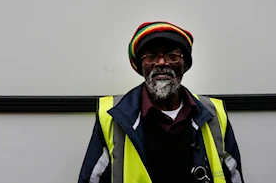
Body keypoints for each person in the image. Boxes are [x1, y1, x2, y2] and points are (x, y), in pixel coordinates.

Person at [78, 21, 244, 183]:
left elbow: (233, 176)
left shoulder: (213, 114)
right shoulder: (114, 115)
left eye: (172, 55)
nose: (161, 63)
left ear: (184, 64)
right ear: (140, 66)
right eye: (150, 56)